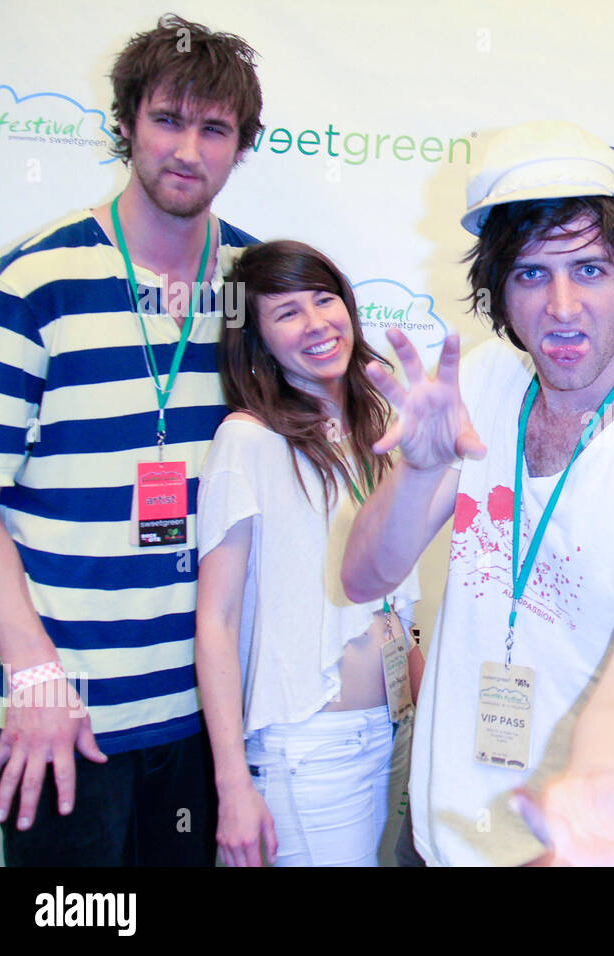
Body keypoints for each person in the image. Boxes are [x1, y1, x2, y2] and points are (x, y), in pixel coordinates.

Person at [340, 120, 614, 866]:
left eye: (589, 269)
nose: (562, 305)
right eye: (531, 273)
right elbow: (363, 576)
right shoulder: (485, 379)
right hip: (432, 837)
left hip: (569, 846)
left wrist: (597, 781)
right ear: (499, 289)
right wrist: (421, 471)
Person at [0, 14, 263, 865]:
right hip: (65, 723)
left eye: (214, 129)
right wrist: (32, 673)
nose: (188, 150)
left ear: (241, 145)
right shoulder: (36, 282)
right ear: (125, 125)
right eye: (167, 120)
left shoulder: (254, 290)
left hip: (208, 720)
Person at [195, 241, 423, 867]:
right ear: (258, 338)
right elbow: (215, 623)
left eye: (325, 300)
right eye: (288, 312)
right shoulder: (248, 441)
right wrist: (233, 784)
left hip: (391, 729)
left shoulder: (375, 422)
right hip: (310, 747)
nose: (318, 323)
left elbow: (391, 591)